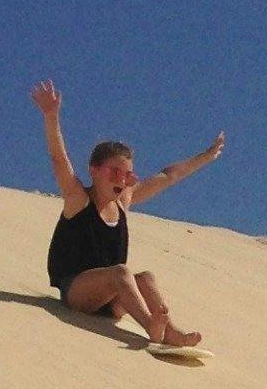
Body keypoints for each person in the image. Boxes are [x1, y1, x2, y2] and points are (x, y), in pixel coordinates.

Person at [31, 81, 221, 350]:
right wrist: (51, 116)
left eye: (127, 174)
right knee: (121, 273)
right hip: (77, 292)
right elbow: (59, 160)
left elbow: (168, 175)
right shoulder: (78, 200)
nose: (122, 179)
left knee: (145, 278)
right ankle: (151, 327)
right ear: (94, 170)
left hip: (111, 300)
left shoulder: (123, 202)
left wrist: (206, 156)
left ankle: (171, 331)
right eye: (114, 172)